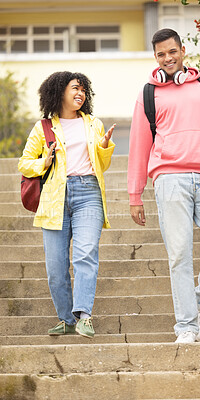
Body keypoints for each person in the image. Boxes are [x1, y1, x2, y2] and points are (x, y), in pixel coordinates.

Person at [127, 28, 200, 343]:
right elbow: (138, 147)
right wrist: (135, 195)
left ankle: (199, 301)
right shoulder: (148, 93)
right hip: (169, 178)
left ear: (183, 50)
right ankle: (187, 327)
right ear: (156, 57)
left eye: (172, 51)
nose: (168, 58)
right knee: (178, 253)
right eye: (161, 54)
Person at [18, 71, 115, 338]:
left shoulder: (93, 124)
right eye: (75, 88)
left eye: (84, 89)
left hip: (88, 193)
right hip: (54, 198)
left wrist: (104, 146)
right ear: (59, 92)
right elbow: (24, 163)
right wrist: (43, 163)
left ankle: (84, 316)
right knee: (56, 267)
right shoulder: (44, 127)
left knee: (85, 255)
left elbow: (102, 165)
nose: (80, 93)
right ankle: (65, 319)